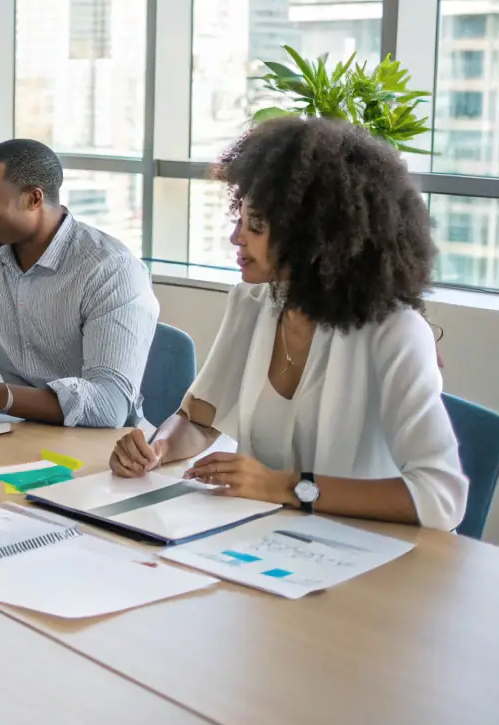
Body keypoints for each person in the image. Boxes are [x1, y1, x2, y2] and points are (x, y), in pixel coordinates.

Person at [109, 117, 467, 531]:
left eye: (255, 226)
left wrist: (288, 488)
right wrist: (157, 448)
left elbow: (442, 496)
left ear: (313, 238)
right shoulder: (253, 302)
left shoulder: (395, 332)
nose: (236, 238)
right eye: (238, 219)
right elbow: (198, 422)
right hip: (270, 545)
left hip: (370, 557)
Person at [0, 138, 159, 427]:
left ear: (34, 199)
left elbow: (108, 404)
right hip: (23, 433)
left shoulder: (111, 270)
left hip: (103, 446)